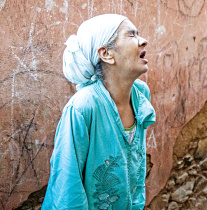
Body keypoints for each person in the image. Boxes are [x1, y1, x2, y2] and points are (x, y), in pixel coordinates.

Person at [42, 14, 156, 210]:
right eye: (131, 35)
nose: (143, 40)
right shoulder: (83, 106)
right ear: (106, 54)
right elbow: (67, 186)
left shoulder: (140, 94)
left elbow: (136, 167)